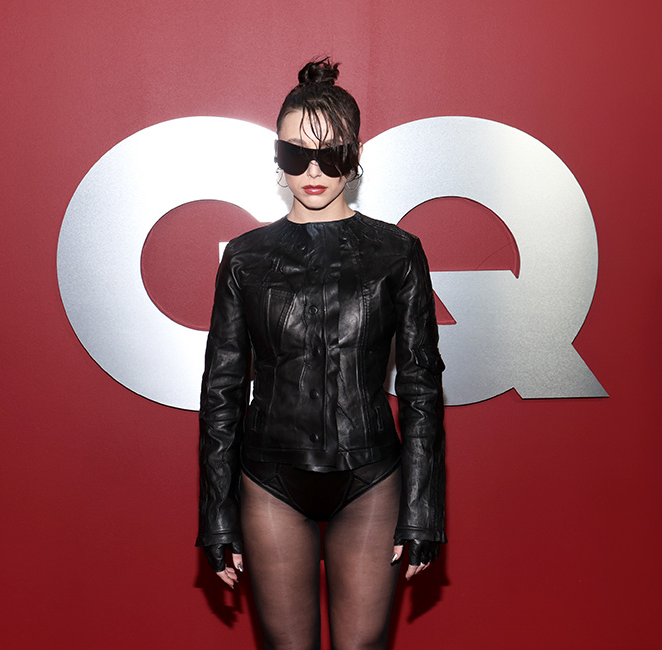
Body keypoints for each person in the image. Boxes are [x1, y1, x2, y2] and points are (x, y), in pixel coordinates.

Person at [196, 58, 446, 649]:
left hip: (371, 479)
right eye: (294, 156)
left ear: (354, 158)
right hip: (269, 481)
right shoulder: (244, 256)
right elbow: (222, 390)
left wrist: (424, 508)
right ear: (276, 162)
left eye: (330, 156)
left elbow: (420, 387)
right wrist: (216, 512)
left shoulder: (398, 251)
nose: (312, 171)